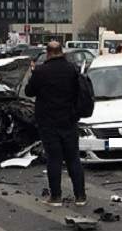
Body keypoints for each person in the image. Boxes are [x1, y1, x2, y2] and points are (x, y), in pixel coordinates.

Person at [24, 39, 87, 205]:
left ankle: (56, 197)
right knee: (73, 159)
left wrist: (33, 73)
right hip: (69, 120)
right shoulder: (72, 69)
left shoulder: (41, 71)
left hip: (48, 123)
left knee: (54, 159)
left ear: (48, 53)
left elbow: (29, 92)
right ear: (62, 52)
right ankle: (80, 196)